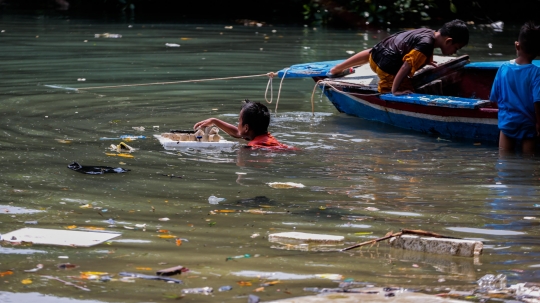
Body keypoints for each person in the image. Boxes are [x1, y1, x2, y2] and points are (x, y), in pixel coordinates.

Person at [329, 19, 469, 95]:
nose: (454, 52)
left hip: (374, 56)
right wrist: (395, 90)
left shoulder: (428, 33)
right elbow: (406, 66)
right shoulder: (426, 45)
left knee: (374, 50)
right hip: (385, 68)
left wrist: (428, 61)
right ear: (448, 41)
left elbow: (420, 47)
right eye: (455, 48)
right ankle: (389, 88)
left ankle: (337, 68)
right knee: (409, 89)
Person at [490, 21, 540, 155]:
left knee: (504, 160)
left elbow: (494, 96)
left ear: (517, 45)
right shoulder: (536, 72)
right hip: (528, 122)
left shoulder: (503, 68)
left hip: (508, 121)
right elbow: (537, 101)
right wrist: (539, 124)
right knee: (529, 161)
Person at [193, 100, 292, 149]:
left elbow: (240, 133)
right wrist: (215, 121)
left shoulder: (253, 147)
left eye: (239, 121)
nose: (237, 124)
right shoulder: (264, 137)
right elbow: (238, 132)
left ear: (246, 127)